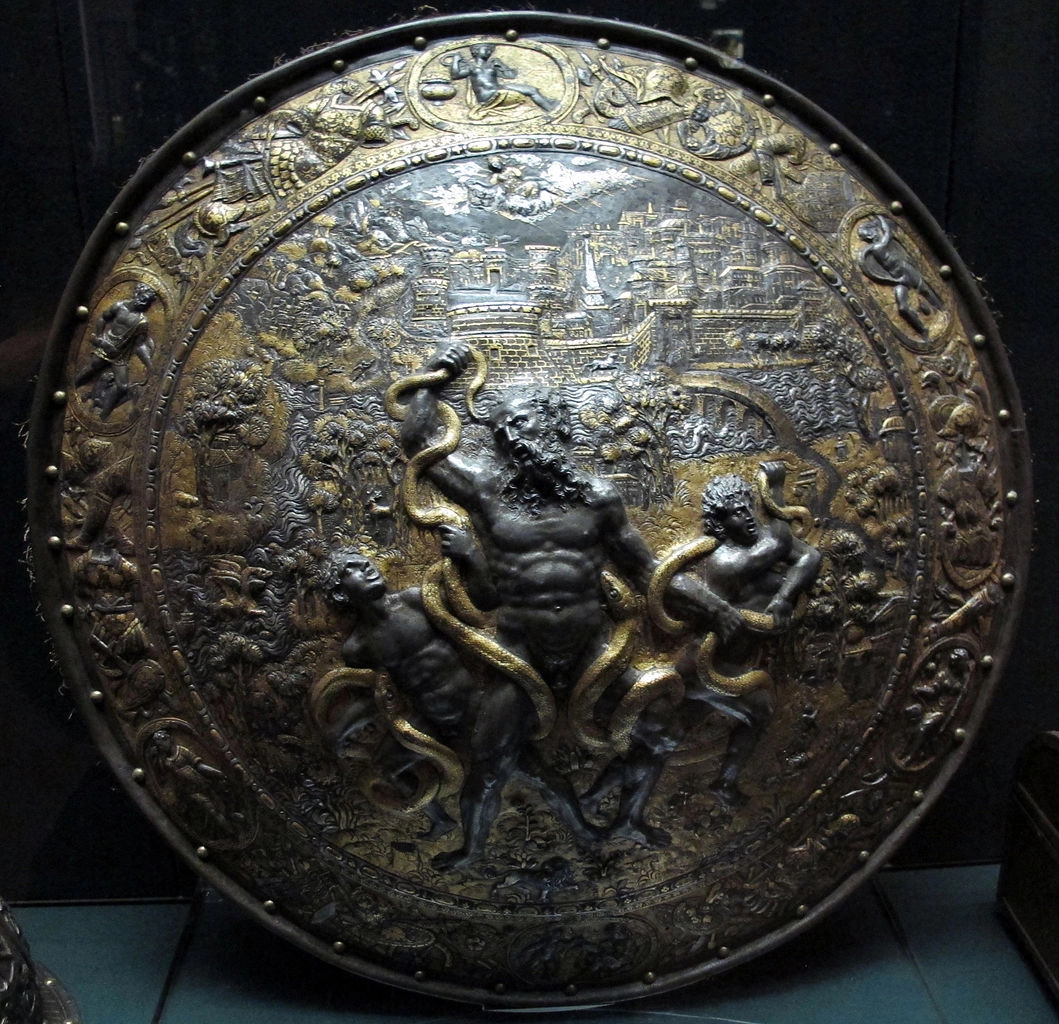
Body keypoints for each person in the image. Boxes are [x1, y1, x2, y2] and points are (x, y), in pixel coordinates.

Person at [399, 342, 741, 846]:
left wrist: (713, 605)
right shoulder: (486, 491)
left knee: (659, 730)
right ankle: (471, 851)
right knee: (489, 760)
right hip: (519, 652)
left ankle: (629, 819)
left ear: (554, 424)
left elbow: (648, 571)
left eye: (521, 423)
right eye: (501, 432)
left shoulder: (600, 498)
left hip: (592, 650)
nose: (512, 438)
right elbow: (419, 444)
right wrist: (434, 377)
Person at [327, 550, 602, 868]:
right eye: (354, 568)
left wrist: (470, 555)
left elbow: (477, 611)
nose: (367, 566)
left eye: (365, 562)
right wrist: (347, 727)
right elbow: (373, 692)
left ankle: (472, 850)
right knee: (389, 767)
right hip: (438, 721)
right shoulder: (358, 648)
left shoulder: (416, 600)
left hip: (484, 704)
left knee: (483, 784)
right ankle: (441, 819)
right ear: (341, 593)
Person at [679, 466, 821, 808]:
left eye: (748, 507)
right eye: (736, 513)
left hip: (731, 662)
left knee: (667, 736)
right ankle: (724, 782)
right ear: (719, 524)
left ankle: (604, 789)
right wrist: (775, 491)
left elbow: (811, 556)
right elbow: (784, 543)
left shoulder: (756, 547)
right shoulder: (728, 561)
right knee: (761, 710)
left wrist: (784, 598)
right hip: (707, 664)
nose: (747, 517)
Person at [76, 283, 157, 418]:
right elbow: (103, 318)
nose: (144, 303)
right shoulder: (119, 306)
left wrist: (149, 364)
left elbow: (139, 345)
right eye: (143, 298)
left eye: (147, 302)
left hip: (120, 355)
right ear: (137, 293)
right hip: (106, 346)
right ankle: (73, 387)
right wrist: (100, 338)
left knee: (122, 386)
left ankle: (103, 415)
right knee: (91, 368)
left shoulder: (142, 322)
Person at [446, 43, 558, 116]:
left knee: (532, 89)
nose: (489, 52)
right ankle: (550, 110)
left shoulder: (492, 66)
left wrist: (501, 65)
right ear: (475, 51)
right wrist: (456, 60)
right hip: (488, 95)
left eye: (490, 50)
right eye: (486, 49)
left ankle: (548, 106)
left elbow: (510, 76)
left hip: (499, 89)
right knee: (530, 91)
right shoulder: (472, 67)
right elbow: (455, 75)